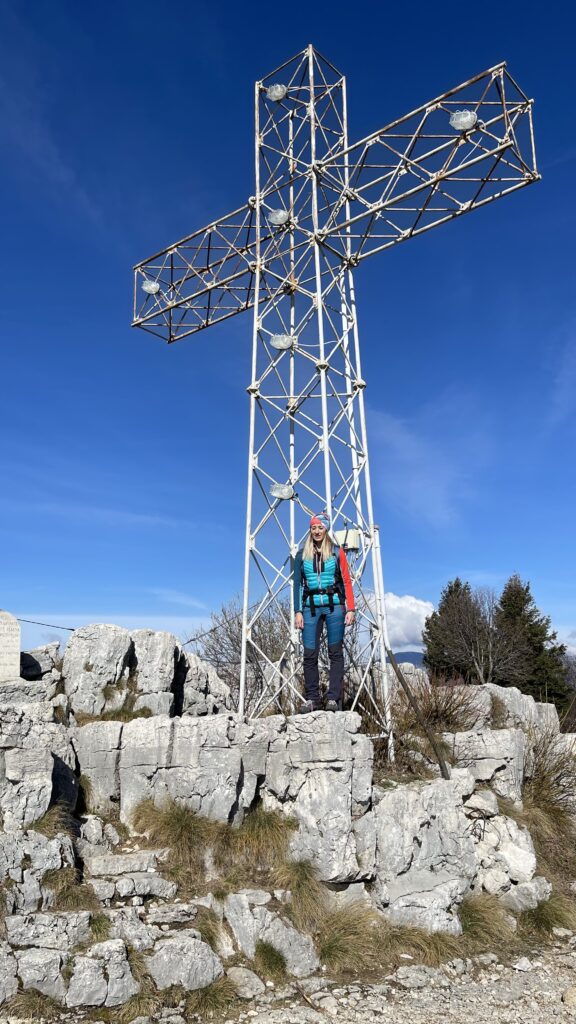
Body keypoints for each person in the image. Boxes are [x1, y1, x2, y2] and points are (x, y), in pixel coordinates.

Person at [293, 514, 355, 712]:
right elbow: (297, 585)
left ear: (326, 529)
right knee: (309, 654)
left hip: (335, 606)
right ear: (310, 531)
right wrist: (297, 611)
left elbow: (346, 580)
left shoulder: (337, 552)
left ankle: (333, 698)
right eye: (313, 528)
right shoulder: (301, 555)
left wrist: (351, 608)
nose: (317, 531)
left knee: (335, 653)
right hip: (310, 607)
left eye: (320, 527)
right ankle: (312, 699)